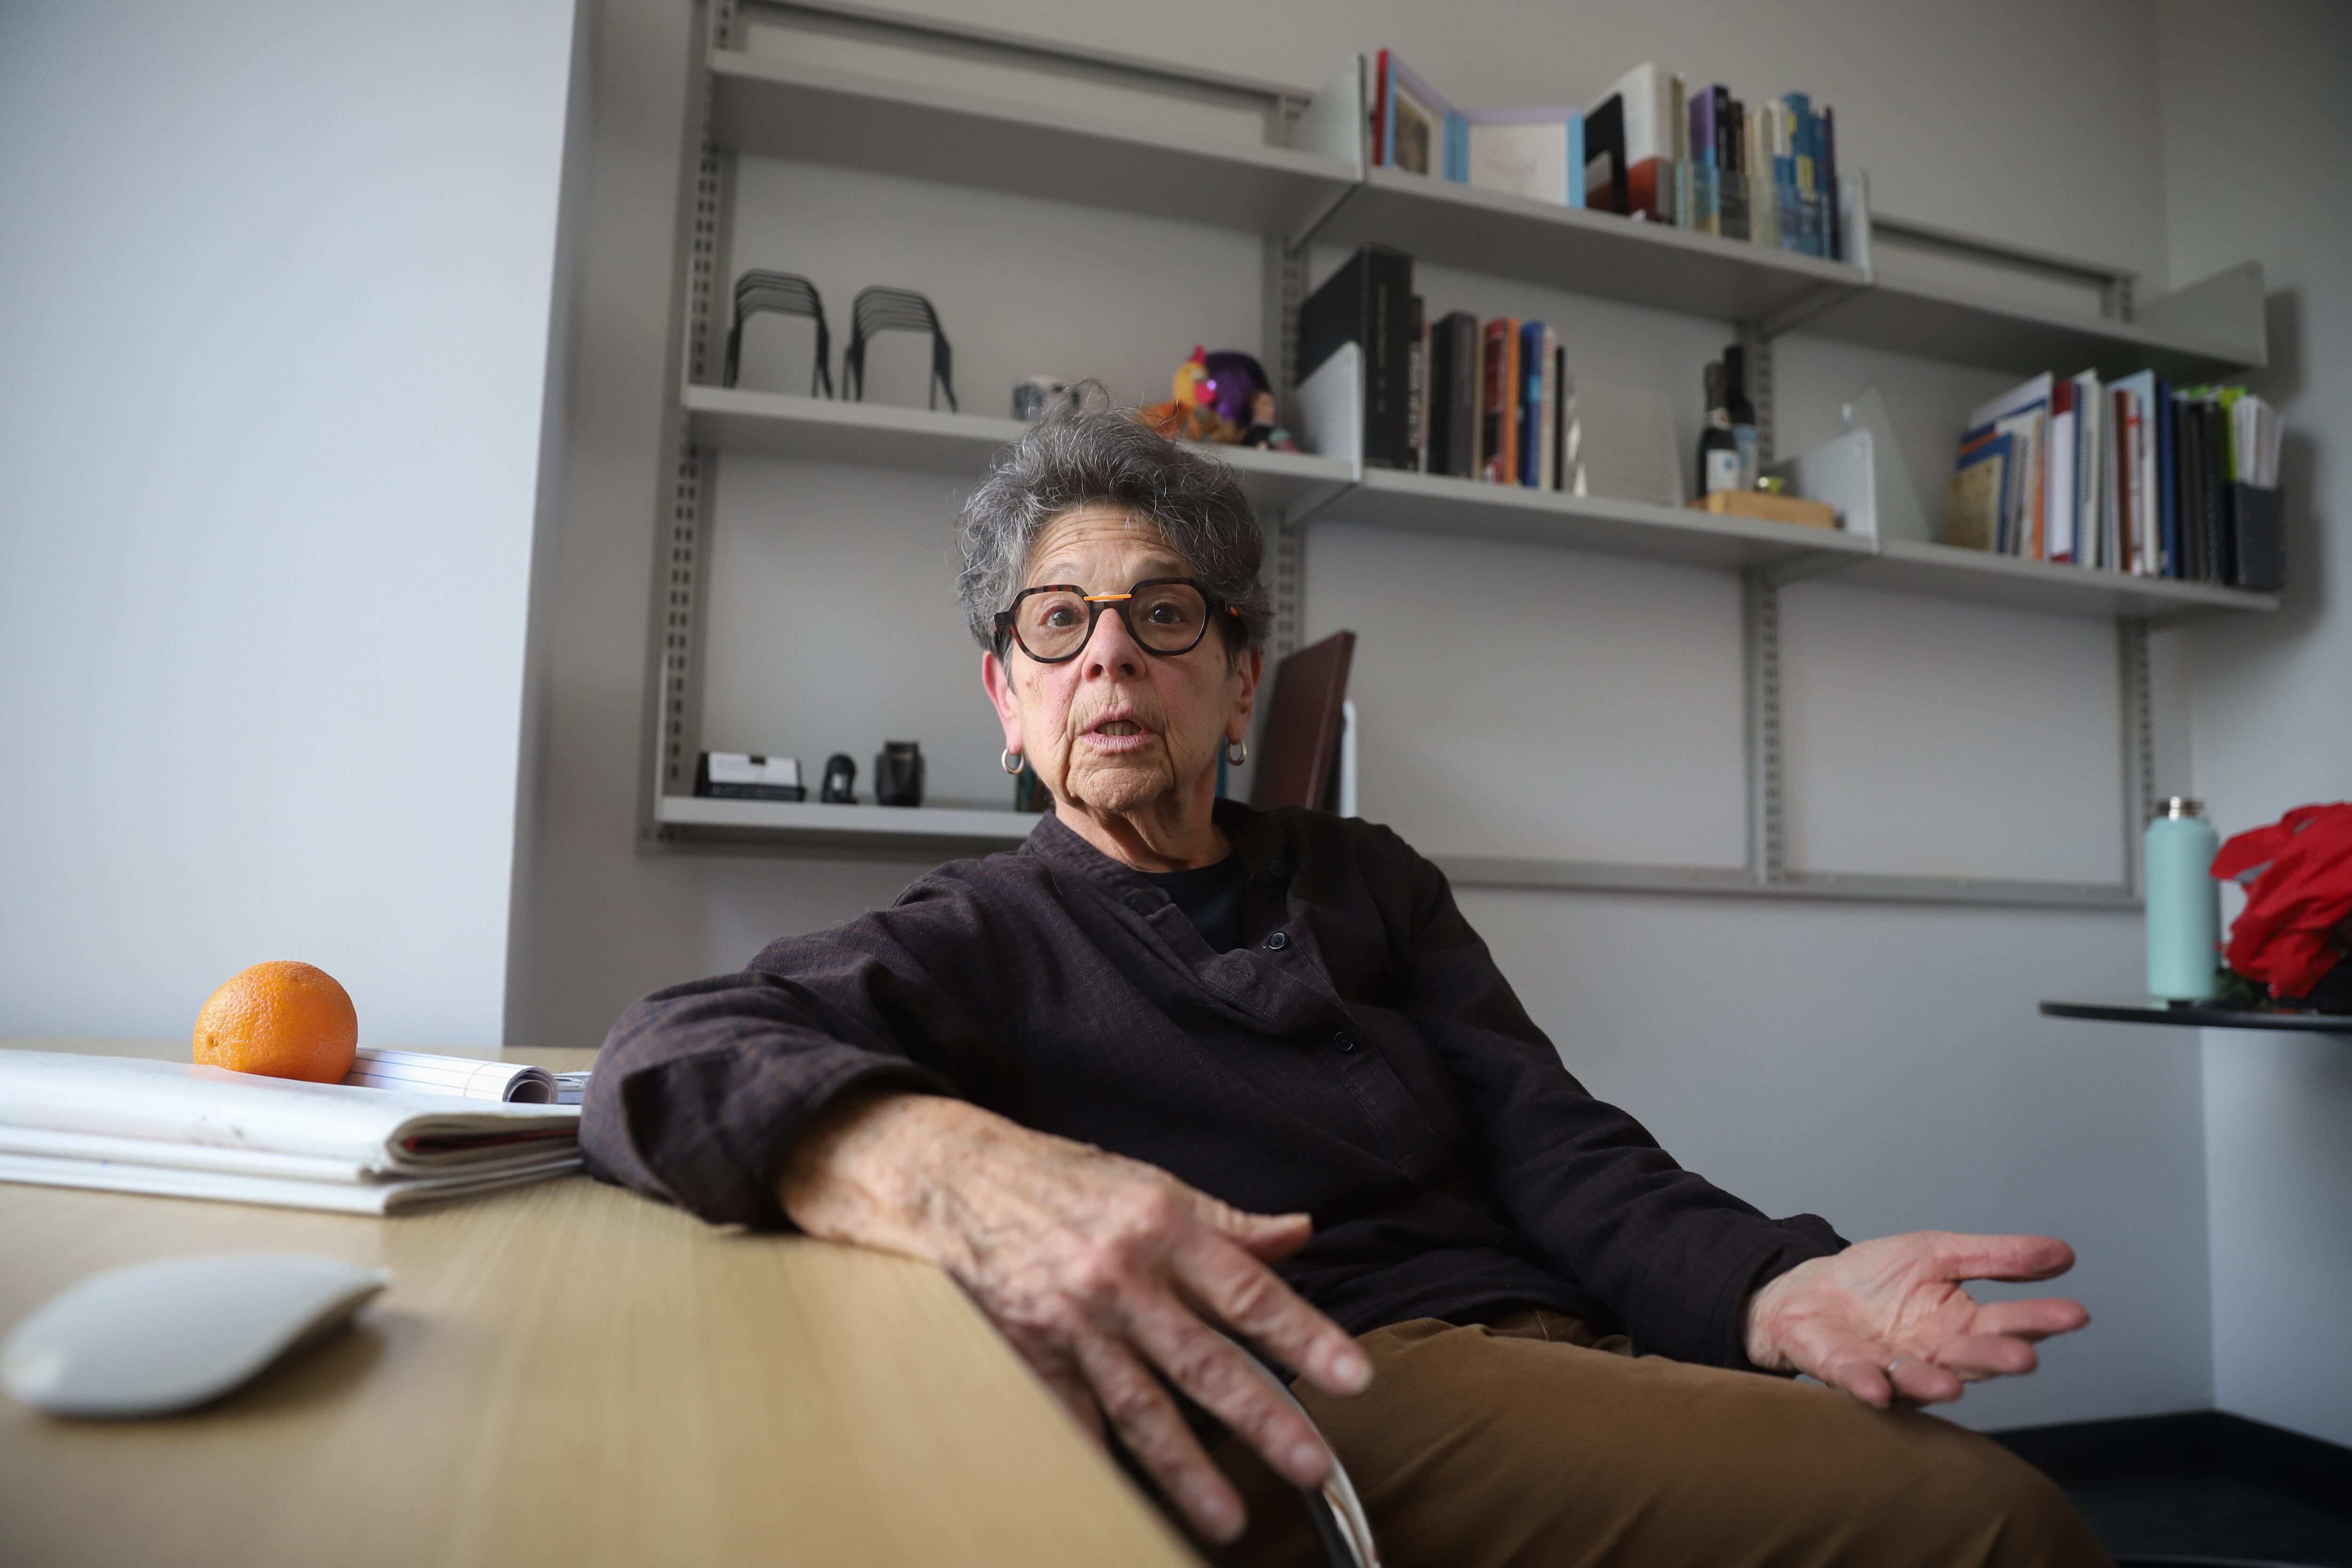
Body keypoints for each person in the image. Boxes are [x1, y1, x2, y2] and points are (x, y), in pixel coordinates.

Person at [582, 404, 2111, 1568]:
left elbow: (1561, 1149)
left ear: (1239, 679)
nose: (1109, 659)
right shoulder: (976, 931)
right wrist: (948, 1165)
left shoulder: (1367, 874)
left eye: (1162, 614)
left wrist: (1770, 1282)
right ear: (1006, 698)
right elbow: (663, 1056)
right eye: (1060, 623)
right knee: (1994, 1530)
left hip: (1563, 1337)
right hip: (1323, 1376)